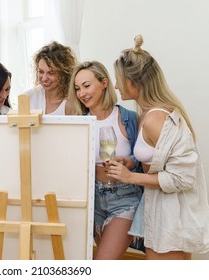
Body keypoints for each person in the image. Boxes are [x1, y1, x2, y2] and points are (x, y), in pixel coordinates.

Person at [108, 35, 209, 259]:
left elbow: (183, 178)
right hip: (158, 212)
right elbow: (159, 158)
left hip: (172, 217)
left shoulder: (157, 119)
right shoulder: (146, 114)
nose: (115, 85)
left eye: (118, 80)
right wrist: (132, 161)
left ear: (136, 83)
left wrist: (130, 177)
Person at [66, 61, 143, 259]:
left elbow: (145, 159)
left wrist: (129, 161)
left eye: (86, 85)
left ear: (104, 83)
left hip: (124, 198)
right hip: (92, 199)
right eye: (77, 88)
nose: (82, 93)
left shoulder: (129, 118)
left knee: (103, 261)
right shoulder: (78, 123)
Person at [25, 41, 78, 115]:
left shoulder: (71, 103)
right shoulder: (29, 98)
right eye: (41, 72)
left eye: (51, 73)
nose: (44, 78)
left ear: (64, 74)